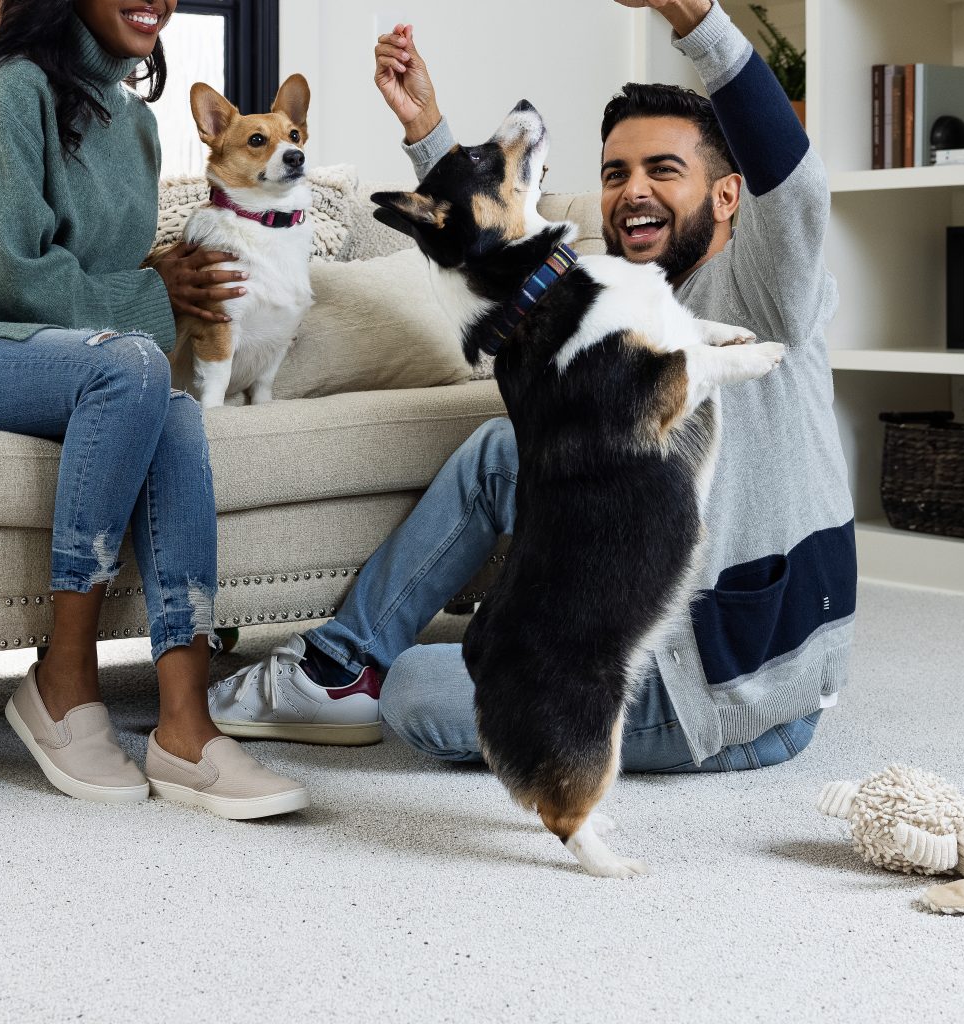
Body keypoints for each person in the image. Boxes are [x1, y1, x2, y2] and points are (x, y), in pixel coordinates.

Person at [210, 0, 855, 775]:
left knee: (416, 689)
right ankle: (335, 667)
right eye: (617, 173)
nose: (632, 192)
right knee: (502, 452)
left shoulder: (765, 289)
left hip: (717, 686)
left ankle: (413, 674)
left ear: (726, 198)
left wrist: (697, 20)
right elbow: (497, 259)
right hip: (646, 604)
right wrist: (427, 129)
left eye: (664, 171)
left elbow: (799, 190)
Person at [0, 0, 308, 818]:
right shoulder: (16, 87)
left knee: (173, 406)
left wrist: (155, 283)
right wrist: (154, 290)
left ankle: (185, 722)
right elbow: (5, 276)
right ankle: (62, 679)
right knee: (133, 366)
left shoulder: (135, 128)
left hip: (22, 357)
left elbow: (95, 297)